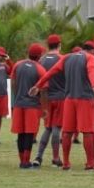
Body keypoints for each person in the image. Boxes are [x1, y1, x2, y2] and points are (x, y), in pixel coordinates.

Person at [30, 40, 94, 171]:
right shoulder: (90, 58)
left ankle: (66, 163)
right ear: (92, 51)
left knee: (67, 132)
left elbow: (50, 72)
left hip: (69, 99)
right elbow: (91, 70)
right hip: (84, 99)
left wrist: (38, 85)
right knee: (87, 131)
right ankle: (91, 163)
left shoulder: (67, 57)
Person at [34, 34, 65, 167]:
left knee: (47, 128)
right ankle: (56, 158)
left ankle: (38, 157)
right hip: (60, 97)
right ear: (59, 45)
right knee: (56, 128)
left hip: (45, 98)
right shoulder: (62, 59)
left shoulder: (41, 60)